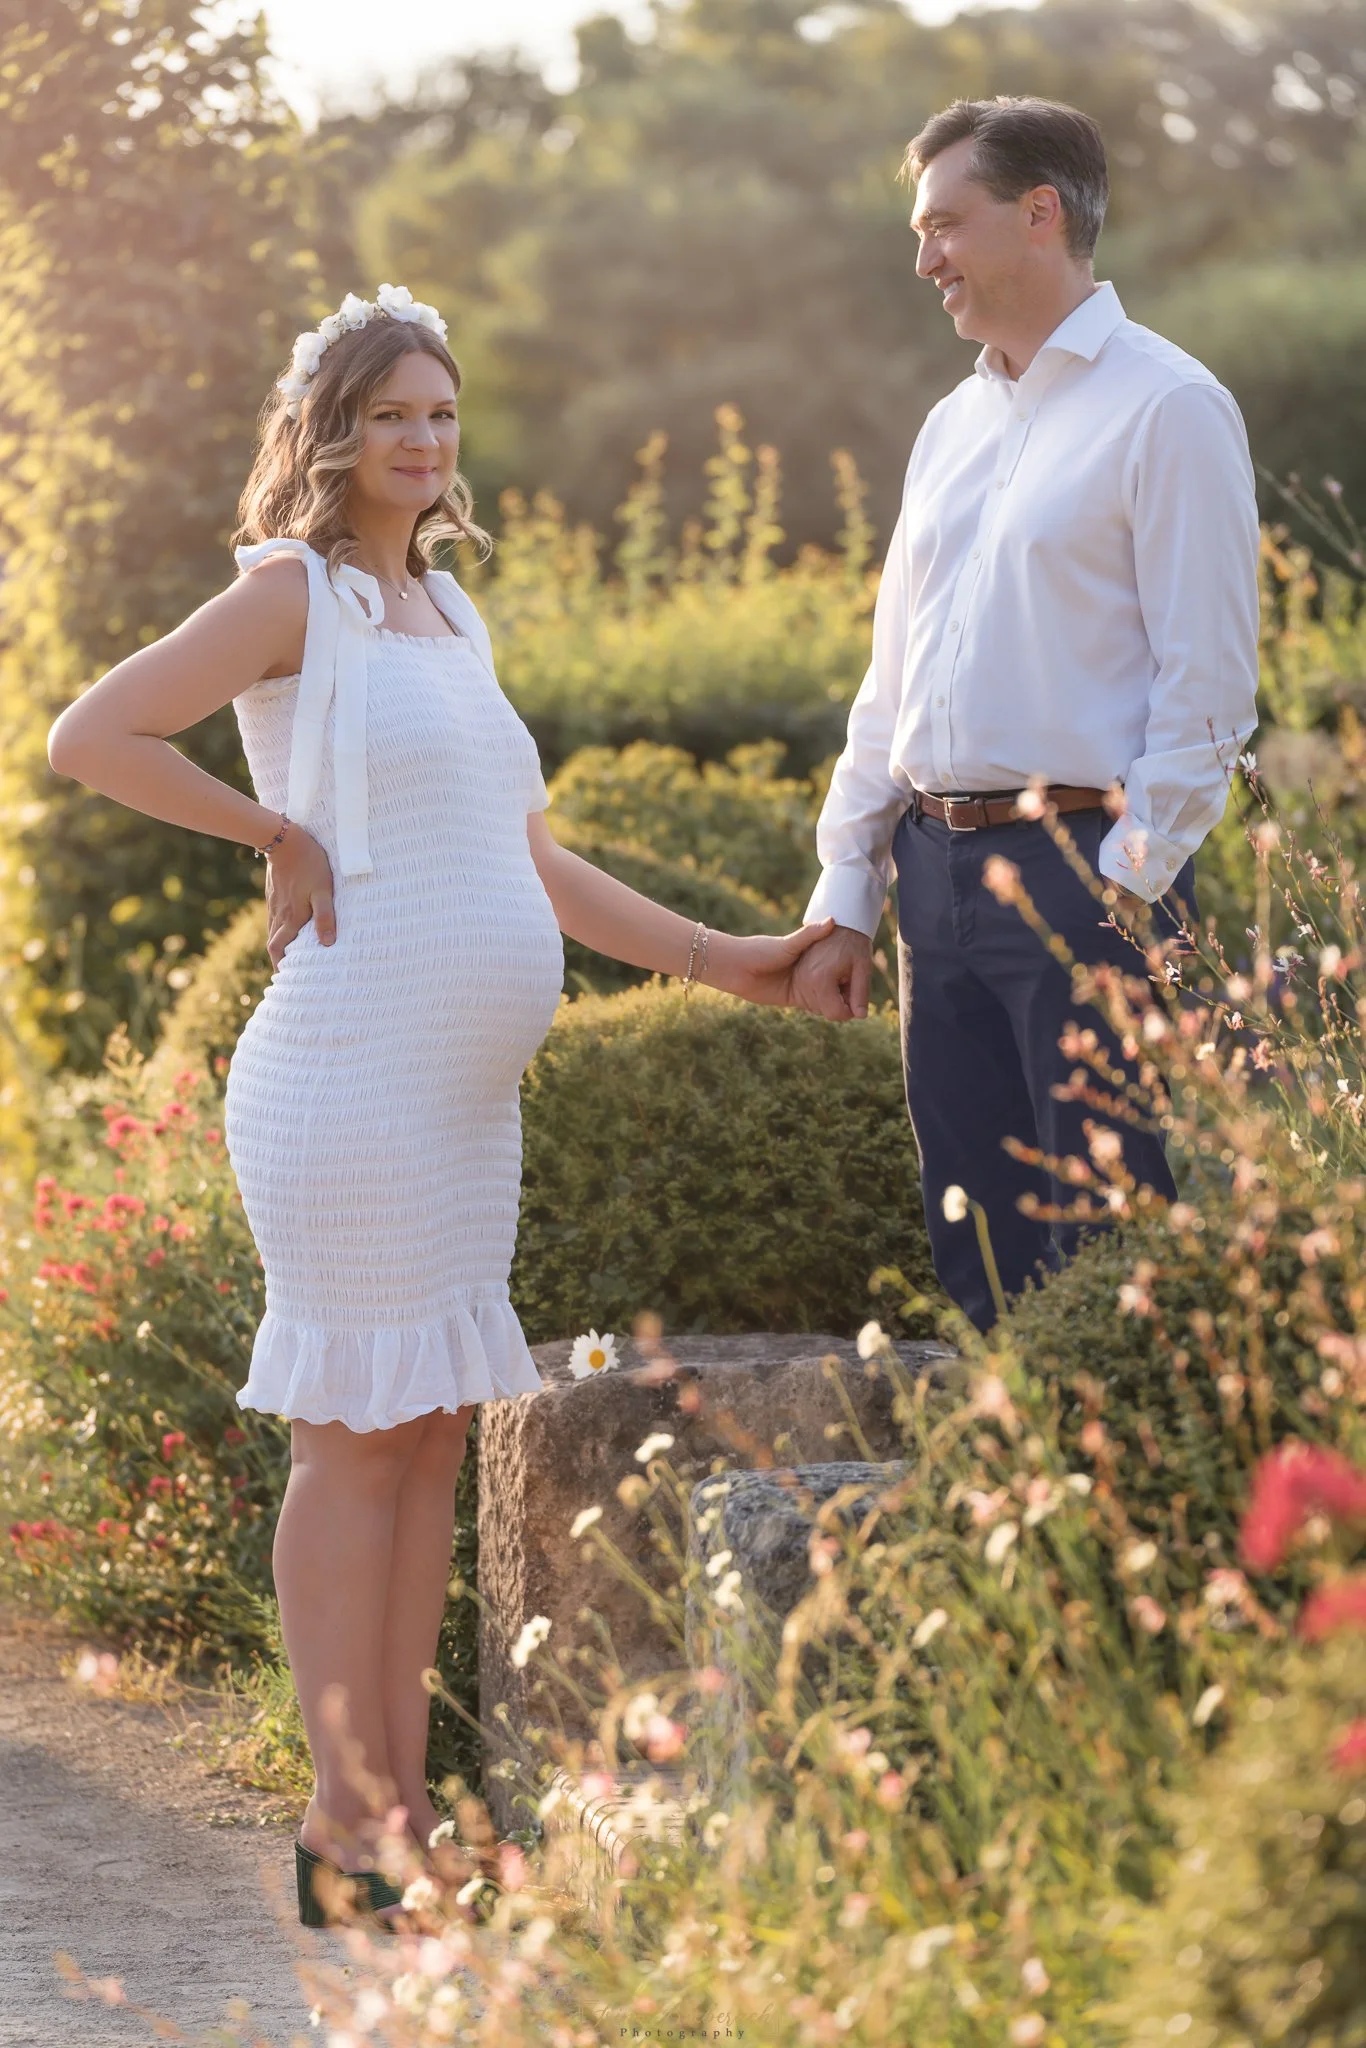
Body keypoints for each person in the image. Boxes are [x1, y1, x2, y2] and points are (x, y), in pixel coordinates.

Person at [46, 283, 833, 1925]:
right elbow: (92, 733)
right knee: (352, 1440)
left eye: (441, 415)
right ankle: (349, 1822)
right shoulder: (291, 596)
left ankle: (404, 1813)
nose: (421, 440)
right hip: (345, 1078)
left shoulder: (456, 622)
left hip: (465, 1108)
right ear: (333, 433)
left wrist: (721, 956)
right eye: (392, 413)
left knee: (424, 1442)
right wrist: (273, 834)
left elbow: (529, 859)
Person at [793, 97, 1260, 1332]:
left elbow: (1208, 687)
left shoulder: (1171, 405)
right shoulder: (951, 425)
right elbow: (889, 678)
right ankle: (999, 1491)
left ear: (1039, 213)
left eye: (944, 223)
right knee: (977, 1244)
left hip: (1084, 875)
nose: (923, 258)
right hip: (930, 878)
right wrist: (848, 888)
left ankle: (1121, 1519)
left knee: (1111, 1258)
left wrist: (1130, 878)